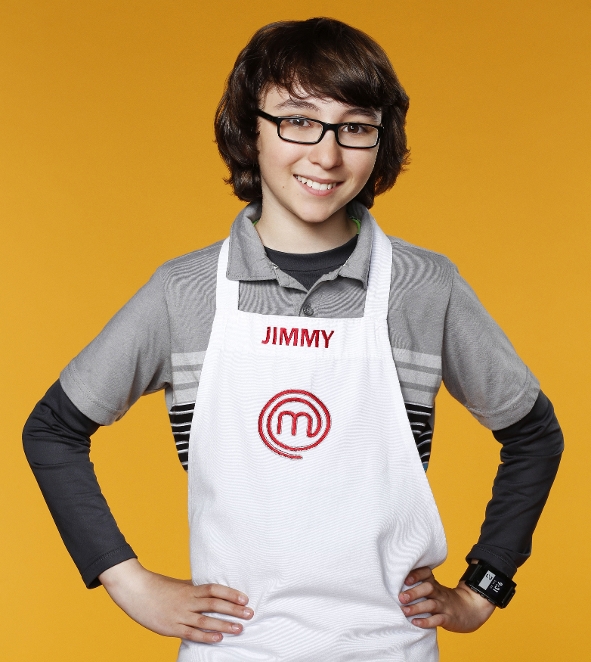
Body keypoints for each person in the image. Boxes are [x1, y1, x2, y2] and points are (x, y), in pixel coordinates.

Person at [23, 17, 563, 661]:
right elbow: (52, 430)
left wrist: (484, 587)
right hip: (234, 650)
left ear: (381, 139)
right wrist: (127, 582)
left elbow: (534, 435)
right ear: (249, 129)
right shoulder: (185, 292)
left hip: (390, 649)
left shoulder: (425, 287)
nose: (326, 155)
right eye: (298, 121)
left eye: (354, 127)